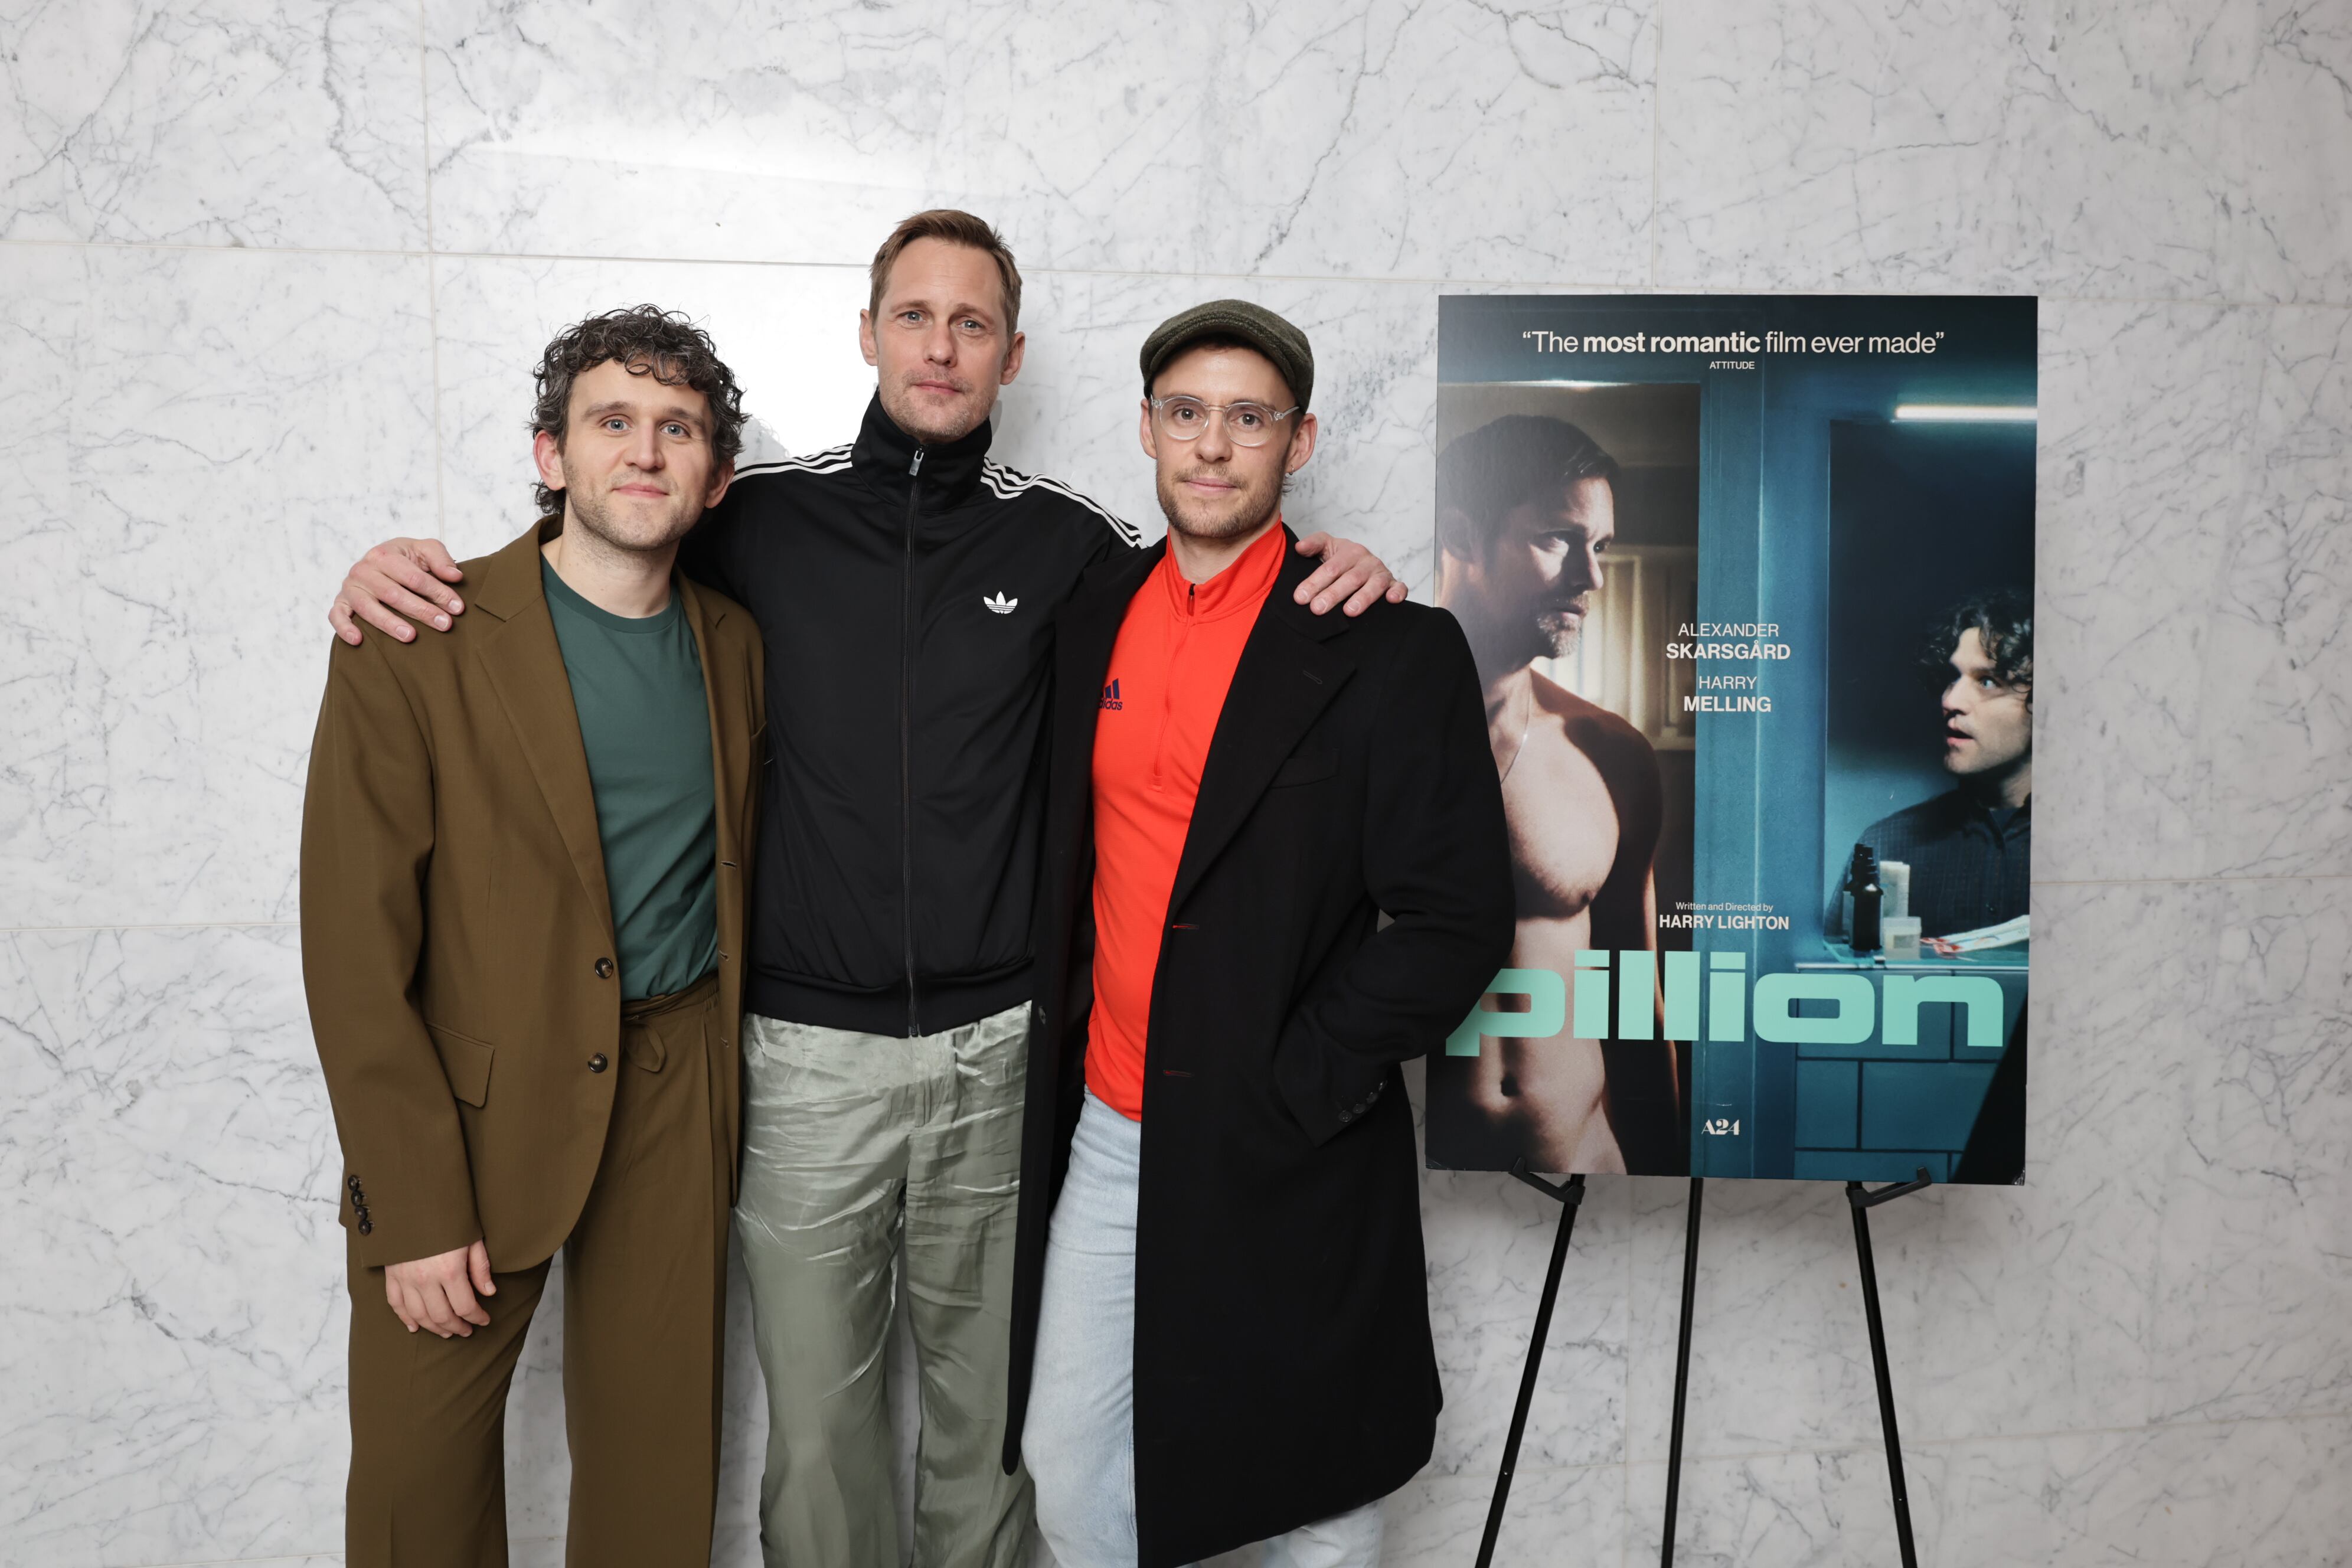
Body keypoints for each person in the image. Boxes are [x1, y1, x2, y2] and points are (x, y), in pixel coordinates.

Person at [319, 212, 1400, 1568]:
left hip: (1001, 1057)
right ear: (868, 333)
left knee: (992, 1433)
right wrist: (406, 576)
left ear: (1011, 355)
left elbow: (1212, 578)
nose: (939, 346)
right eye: (913, 315)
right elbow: (594, 551)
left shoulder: (1072, 548)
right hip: (800, 1060)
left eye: (970, 323)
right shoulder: (756, 515)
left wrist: (1332, 564)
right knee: (821, 1442)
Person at [1007, 300, 1515, 1568]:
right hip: (1113, 1130)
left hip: (1293, 1137)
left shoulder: (1387, 644)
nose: (1214, 444)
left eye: (1250, 418)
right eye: (1187, 412)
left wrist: (1307, 1078)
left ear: (1300, 442)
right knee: (1071, 1478)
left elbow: (1457, 918)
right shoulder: (1089, 616)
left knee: (1321, 1494)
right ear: (1146, 428)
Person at [301, 307, 763, 1566]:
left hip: (676, 1093)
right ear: (553, 452)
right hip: (469, 1108)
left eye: (678, 429)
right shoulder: (419, 633)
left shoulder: (737, 648)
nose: (646, 452)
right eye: (612, 420)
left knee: (656, 1483)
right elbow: (353, 947)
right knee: (417, 1492)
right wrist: (410, 1200)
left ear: (717, 477)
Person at [1425, 414, 1681, 1175]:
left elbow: (1637, 1004)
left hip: (1587, 1168)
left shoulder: (1611, 754)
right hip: (1419, 1193)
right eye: (1557, 539)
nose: (1592, 577)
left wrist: (1667, 1188)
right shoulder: (1360, 730)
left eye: (1600, 546)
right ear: (1464, 534)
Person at [1852, 588, 2033, 943]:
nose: (1950, 700)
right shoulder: (1886, 844)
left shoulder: (2104, 851)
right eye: (1953, 678)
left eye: (1987, 681)